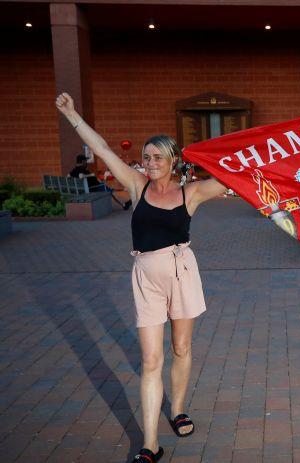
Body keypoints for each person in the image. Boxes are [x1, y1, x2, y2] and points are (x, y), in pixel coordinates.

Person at [56, 93, 228, 463]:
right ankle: (150, 444)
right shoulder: (137, 185)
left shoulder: (191, 193)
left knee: (181, 348)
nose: (148, 163)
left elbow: (234, 183)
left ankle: (178, 407)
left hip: (181, 273)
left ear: (172, 162)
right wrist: (73, 115)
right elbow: (101, 147)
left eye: (156, 158)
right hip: (146, 277)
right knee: (151, 360)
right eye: (146, 157)